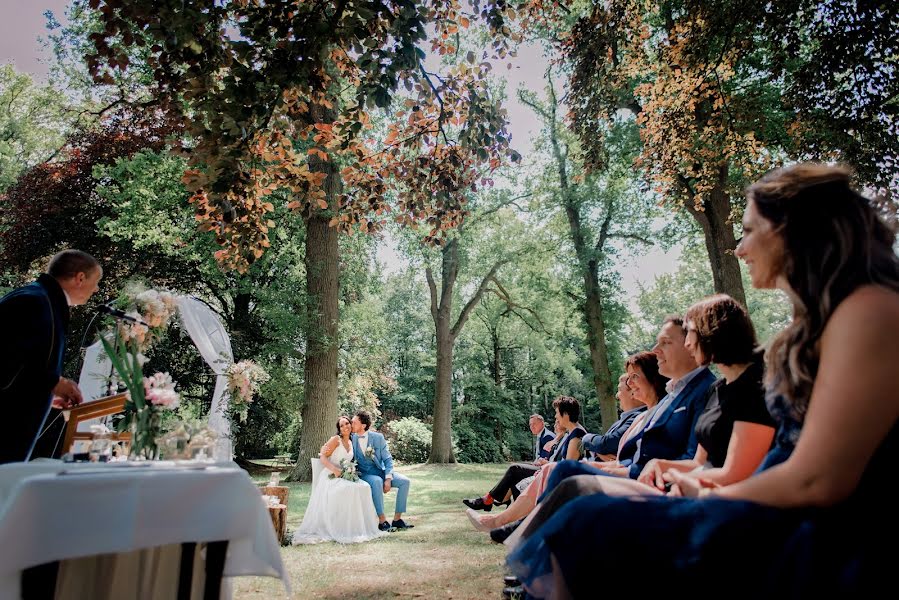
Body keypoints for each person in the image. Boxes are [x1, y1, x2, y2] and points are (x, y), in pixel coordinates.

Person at [508, 163, 899, 598]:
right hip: (774, 507)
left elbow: (819, 480)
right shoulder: (826, 321)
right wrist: (696, 482)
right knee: (582, 512)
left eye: (749, 230)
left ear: (790, 229)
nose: (739, 248)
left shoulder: (871, 311)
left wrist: (708, 494)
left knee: (589, 523)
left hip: (815, 536)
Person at [503, 294, 775, 555]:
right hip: (676, 481)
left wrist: (673, 475)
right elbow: (698, 460)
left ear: (712, 332)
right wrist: (664, 467)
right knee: (571, 484)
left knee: (577, 492)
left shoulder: (751, 388)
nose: (689, 343)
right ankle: (528, 546)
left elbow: (734, 473)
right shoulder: (719, 388)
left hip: (709, 497)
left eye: (689, 334)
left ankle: (526, 542)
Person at [0, 250, 102, 464]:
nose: (97, 289)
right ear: (80, 278)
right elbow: (7, 356)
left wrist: (46, 390)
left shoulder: (44, 300)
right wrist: (53, 381)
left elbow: (31, 361)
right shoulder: (32, 301)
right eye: (97, 281)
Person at [463, 399, 582, 513]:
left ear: (565, 414)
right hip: (549, 470)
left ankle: (494, 503)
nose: (555, 417)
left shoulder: (576, 435)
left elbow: (567, 468)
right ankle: (502, 508)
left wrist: (546, 466)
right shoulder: (572, 433)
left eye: (557, 413)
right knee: (515, 475)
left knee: (515, 470)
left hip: (554, 476)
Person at [293, 416, 386, 544]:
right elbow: (323, 457)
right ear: (339, 429)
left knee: (364, 486)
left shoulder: (353, 440)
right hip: (331, 475)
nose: (345, 427)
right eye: (341, 425)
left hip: (345, 474)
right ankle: (341, 527)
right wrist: (334, 469)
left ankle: (359, 527)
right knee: (349, 488)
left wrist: (350, 471)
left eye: (347, 423)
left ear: (350, 425)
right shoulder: (336, 439)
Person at [352, 410, 414, 531]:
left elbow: (388, 459)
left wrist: (388, 478)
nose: (351, 424)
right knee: (376, 481)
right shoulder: (351, 438)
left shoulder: (378, 438)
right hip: (365, 474)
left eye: (354, 422)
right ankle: (382, 521)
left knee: (405, 481)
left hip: (381, 471)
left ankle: (397, 520)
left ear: (363, 425)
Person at [581, 373, 647, 461]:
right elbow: (603, 445)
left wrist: (586, 438)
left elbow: (607, 444)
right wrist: (599, 451)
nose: (617, 395)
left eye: (619, 390)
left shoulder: (638, 417)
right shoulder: (622, 421)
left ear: (632, 392)